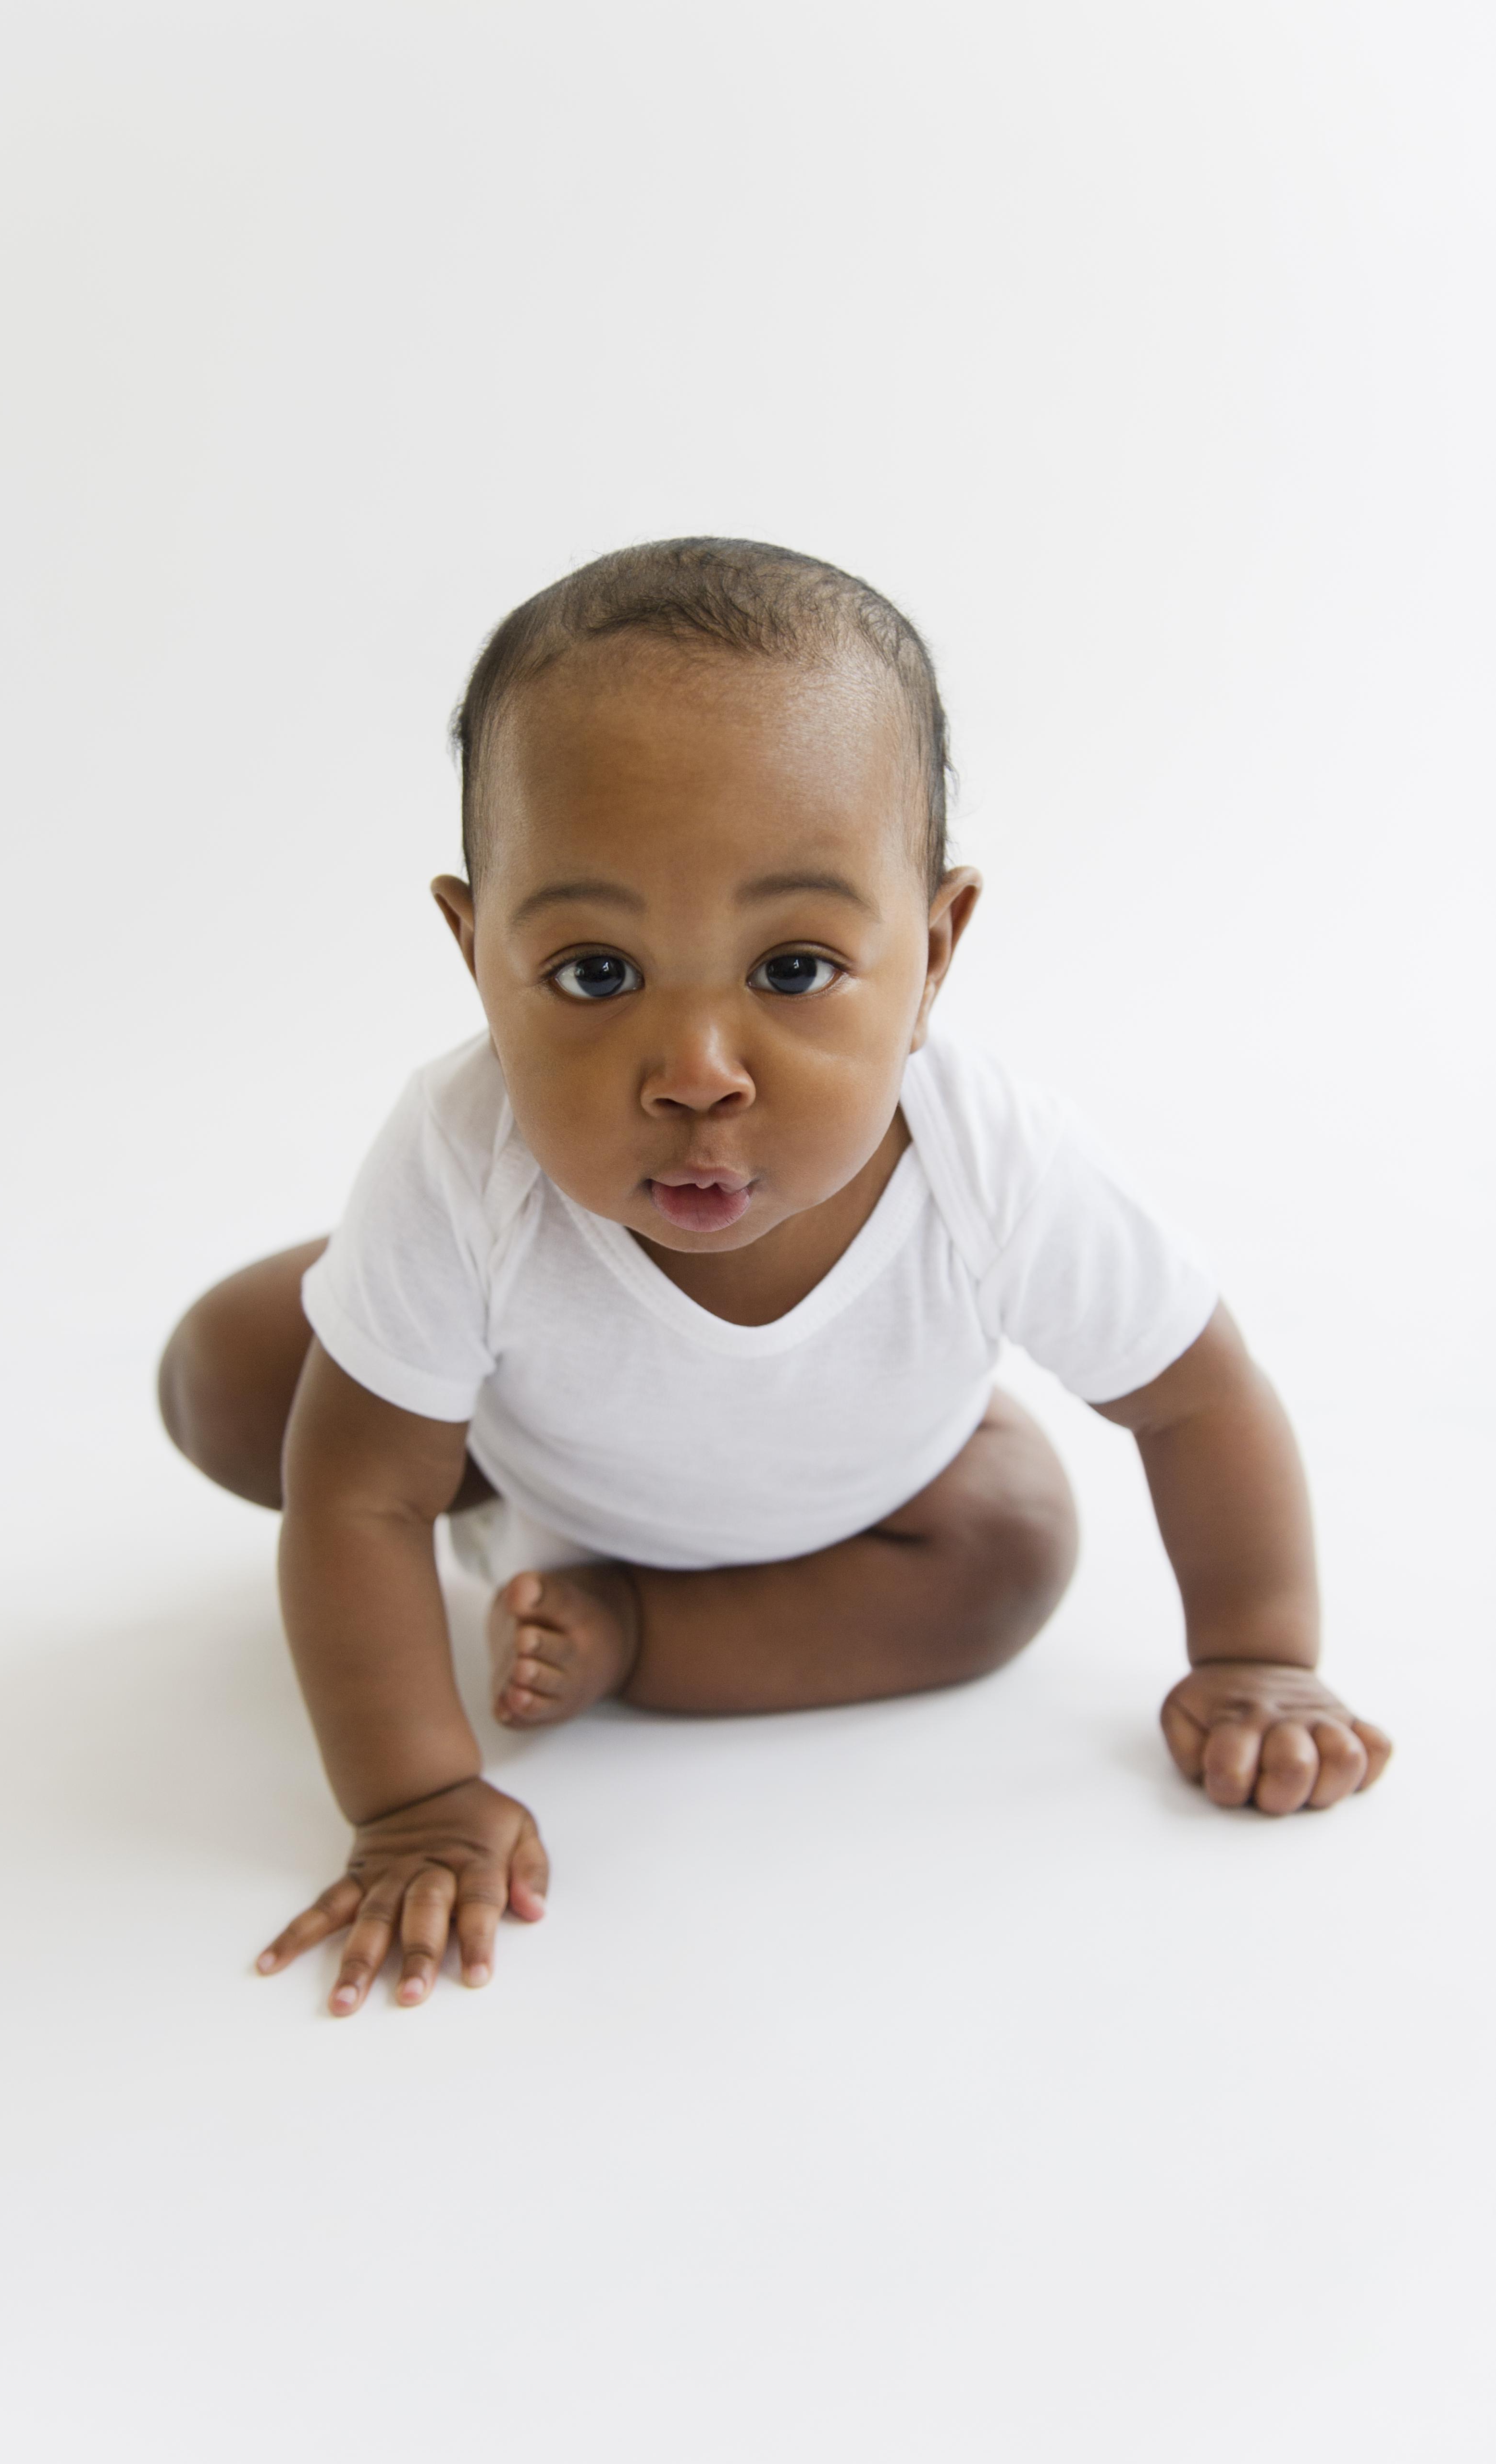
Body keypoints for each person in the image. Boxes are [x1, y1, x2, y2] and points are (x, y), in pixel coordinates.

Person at [159, 537, 1391, 2018]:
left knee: (1008, 1553)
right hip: (525, 1452)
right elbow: (358, 1498)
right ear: (475, 949)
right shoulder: (461, 1147)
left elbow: (1196, 1396)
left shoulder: (988, 1156)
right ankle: (470, 1434)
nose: (695, 1074)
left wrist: (1260, 1655)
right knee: (234, 1372)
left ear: (932, 952)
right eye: (594, 974)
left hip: (870, 1499)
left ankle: (630, 1630)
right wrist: (416, 1798)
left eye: (795, 969)